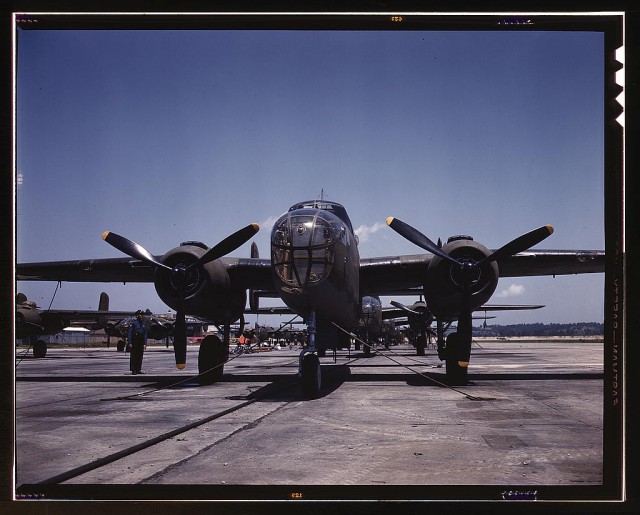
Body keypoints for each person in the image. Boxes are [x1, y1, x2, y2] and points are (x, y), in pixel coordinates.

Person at [127, 310, 147, 375]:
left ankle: (139, 369)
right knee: (134, 356)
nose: (141, 316)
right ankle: (133, 370)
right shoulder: (133, 323)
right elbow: (129, 333)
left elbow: (145, 334)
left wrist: (145, 343)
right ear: (137, 315)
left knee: (140, 355)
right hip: (135, 340)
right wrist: (129, 342)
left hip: (141, 340)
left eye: (142, 315)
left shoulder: (144, 323)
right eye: (139, 315)